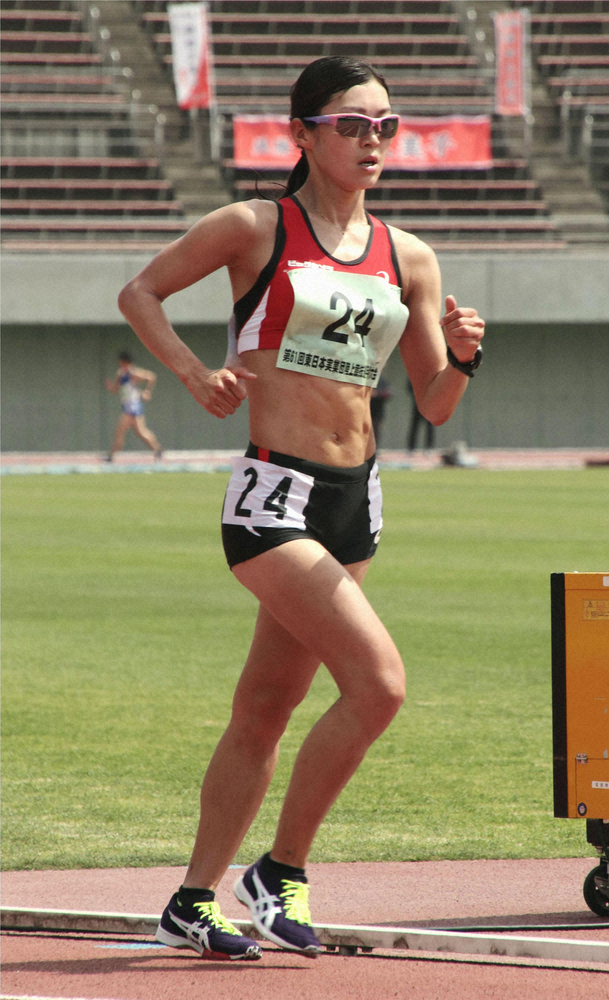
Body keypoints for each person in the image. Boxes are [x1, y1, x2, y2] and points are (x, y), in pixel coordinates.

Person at [118, 56, 484, 962]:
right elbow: (140, 292)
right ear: (302, 135)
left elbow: (435, 404)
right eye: (351, 124)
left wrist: (463, 356)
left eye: (384, 126)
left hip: (355, 500)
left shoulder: (408, 255)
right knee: (379, 684)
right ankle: (278, 872)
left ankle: (190, 902)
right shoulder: (254, 226)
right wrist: (195, 374)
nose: (372, 141)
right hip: (274, 495)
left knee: (265, 708)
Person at [104, 351, 163, 461]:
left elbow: (151, 377)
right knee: (141, 432)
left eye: (121, 362)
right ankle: (157, 449)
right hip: (127, 405)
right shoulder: (120, 374)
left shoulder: (134, 373)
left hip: (133, 405)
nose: (120, 364)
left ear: (126, 362)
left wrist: (147, 391)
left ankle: (111, 456)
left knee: (120, 431)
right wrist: (110, 386)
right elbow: (116, 389)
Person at [406, 377, 436, 452]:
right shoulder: (415, 374)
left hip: (429, 404)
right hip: (418, 404)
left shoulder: (432, 374)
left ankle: (429, 447)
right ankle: (411, 447)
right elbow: (409, 387)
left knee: (429, 426)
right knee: (415, 425)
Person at [370, 374, 392, 447]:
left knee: (376, 429)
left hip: (378, 409)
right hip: (366, 409)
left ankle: (374, 448)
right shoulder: (366, 381)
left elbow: (388, 393)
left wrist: (377, 394)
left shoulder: (382, 381)